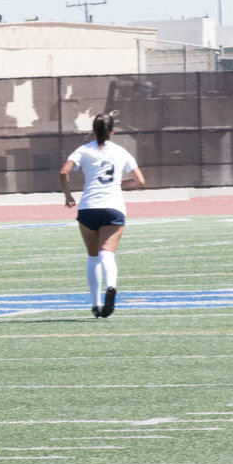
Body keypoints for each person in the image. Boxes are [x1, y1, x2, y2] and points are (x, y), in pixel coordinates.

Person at [60, 111, 144, 318]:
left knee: (92, 257)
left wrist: (68, 196)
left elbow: (64, 172)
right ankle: (112, 287)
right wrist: (119, 184)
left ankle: (96, 304)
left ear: (93, 130)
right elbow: (140, 181)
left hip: (88, 207)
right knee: (108, 253)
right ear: (112, 131)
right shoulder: (121, 151)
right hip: (113, 206)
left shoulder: (83, 150)